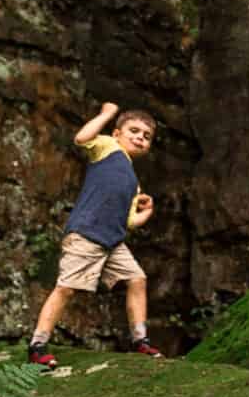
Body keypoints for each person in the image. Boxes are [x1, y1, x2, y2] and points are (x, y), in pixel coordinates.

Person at [27, 101, 163, 370]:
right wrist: (107, 114)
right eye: (134, 131)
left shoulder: (133, 182)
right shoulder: (108, 148)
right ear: (117, 134)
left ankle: (140, 340)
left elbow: (128, 221)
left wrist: (145, 213)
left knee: (137, 279)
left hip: (112, 241)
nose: (140, 138)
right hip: (87, 234)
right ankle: (37, 345)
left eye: (146, 136)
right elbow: (82, 138)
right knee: (66, 288)